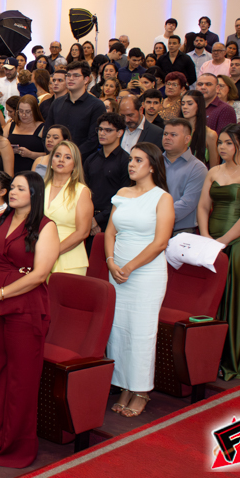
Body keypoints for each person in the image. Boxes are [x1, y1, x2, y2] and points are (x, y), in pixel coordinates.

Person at [0, 172, 58, 468]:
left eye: (19, 188)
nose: (12, 192)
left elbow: (39, 275)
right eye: (11, 187)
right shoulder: (2, 218)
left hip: (24, 307)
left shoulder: (46, 226)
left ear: (34, 194)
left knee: (21, 380)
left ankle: (17, 447)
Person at [105, 142, 174, 418]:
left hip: (145, 275)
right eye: (131, 159)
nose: (131, 164)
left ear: (152, 166)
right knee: (118, 331)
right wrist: (111, 262)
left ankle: (141, 390)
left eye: (138, 160)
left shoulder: (162, 198)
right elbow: (110, 232)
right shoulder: (122, 193)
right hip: (117, 272)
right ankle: (125, 386)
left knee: (141, 332)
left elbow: (160, 242)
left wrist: (130, 267)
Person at [196, 124, 240, 380]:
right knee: (213, 300)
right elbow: (203, 206)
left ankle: (235, 359)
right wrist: (206, 237)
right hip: (212, 243)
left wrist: (224, 241)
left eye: (228, 143)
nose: (222, 147)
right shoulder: (213, 171)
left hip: (239, 243)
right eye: (220, 143)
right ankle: (210, 358)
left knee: (236, 300)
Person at [43, 140, 92, 277]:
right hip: (39, 257)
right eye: (57, 155)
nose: (61, 160)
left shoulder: (81, 191)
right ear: (51, 160)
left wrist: (52, 252)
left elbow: (83, 232)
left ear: (75, 164)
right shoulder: (41, 187)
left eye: (68, 157)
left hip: (69, 260)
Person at [43, 61, 106, 157]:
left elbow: (93, 140)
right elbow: (47, 132)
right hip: (55, 158)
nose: (71, 79)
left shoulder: (97, 105)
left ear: (86, 79)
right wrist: (55, 154)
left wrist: (70, 156)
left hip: (81, 160)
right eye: (68, 75)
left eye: (76, 75)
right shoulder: (57, 103)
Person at [84, 112, 130, 234]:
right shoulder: (91, 159)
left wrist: (98, 220)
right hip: (88, 217)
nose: (102, 133)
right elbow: (83, 190)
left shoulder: (126, 161)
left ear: (120, 133)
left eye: (108, 130)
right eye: (100, 129)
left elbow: (124, 197)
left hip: (114, 220)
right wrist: (89, 218)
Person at [161, 118, 208, 235]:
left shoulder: (197, 168)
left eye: (173, 135)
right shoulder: (154, 162)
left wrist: (155, 216)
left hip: (181, 232)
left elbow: (187, 204)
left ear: (187, 139)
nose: (167, 138)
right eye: (165, 134)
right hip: (150, 229)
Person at [8, 95, 46, 174]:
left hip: (33, 172)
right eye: (21, 111)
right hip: (12, 170)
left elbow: (51, 154)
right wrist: (8, 150)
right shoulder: (11, 125)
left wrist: (31, 154)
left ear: (35, 111)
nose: (23, 115)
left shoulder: (43, 128)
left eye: (28, 112)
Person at [182, 90, 218, 167]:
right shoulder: (177, 130)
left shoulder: (210, 134)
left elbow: (214, 167)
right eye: (183, 104)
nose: (184, 107)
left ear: (199, 105)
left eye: (190, 104)